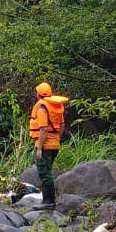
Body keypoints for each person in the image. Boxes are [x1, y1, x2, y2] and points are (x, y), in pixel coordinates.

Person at [29, 81, 68, 210]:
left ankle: (49, 201)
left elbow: (44, 129)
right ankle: (48, 200)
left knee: (44, 173)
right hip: (54, 144)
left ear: (38, 94)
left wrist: (39, 148)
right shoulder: (56, 105)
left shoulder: (42, 107)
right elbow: (62, 125)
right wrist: (56, 139)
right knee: (47, 171)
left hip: (45, 145)